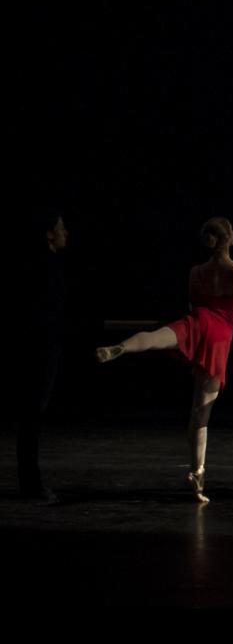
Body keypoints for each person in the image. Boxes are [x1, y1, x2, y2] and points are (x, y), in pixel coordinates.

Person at [98, 210, 233, 503]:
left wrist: (232, 316)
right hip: (218, 336)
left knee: (157, 338)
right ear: (228, 238)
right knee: (200, 414)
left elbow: (198, 305)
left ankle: (122, 347)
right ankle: (197, 476)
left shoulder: (195, 272)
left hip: (196, 322)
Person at [19, 212, 68, 504]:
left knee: (32, 417)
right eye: (61, 229)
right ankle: (31, 486)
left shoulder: (48, 266)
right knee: (31, 417)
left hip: (43, 349)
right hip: (38, 351)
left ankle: (31, 484)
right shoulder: (41, 267)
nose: (66, 233)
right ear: (49, 234)